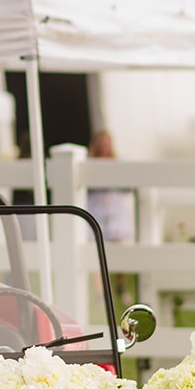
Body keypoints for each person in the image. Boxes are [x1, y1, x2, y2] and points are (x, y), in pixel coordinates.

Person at [85, 130, 136, 311]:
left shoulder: (120, 162)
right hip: (95, 216)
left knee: (123, 251)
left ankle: (121, 286)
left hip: (116, 219)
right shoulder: (87, 164)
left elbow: (129, 185)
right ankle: (100, 294)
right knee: (94, 255)